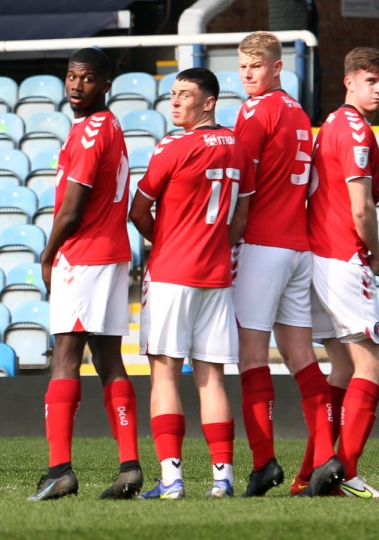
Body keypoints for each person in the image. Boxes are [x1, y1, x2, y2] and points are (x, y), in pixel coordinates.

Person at [129, 67, 253, 499]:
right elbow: (241, 218)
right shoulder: (238, 146)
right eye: (173, 93)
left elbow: (138, 210)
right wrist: (213, 243)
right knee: (211, 378)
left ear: (209, 101)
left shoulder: (172, 146)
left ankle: (171, 480)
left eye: (185, 94)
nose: (175, 101)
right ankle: (222, 478)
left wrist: (166, 239)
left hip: (170, 275)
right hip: (216, 276)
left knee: (164, 375)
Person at [231, 31, 342, 498]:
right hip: (298, 248)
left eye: (257, 66)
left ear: (278, 67)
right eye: (243, 68)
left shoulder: (256, 111)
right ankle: (324, 459)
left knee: (251, 358)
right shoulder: (298, 112)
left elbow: (240, 179)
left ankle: (264, 463)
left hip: (263, 245)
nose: (249, 75)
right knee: (301, 358)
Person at [28, 47, 142, 501]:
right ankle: (130, 467)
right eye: (72, 76)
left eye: (88, 78)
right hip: (112, 254)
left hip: (84, 255)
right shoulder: (107, 126)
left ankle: (59, 470)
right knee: (109, 359)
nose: (77, 85)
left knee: (65, 357)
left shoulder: (91, 132)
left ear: (106, 84)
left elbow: (71, 211)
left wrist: (47, 256)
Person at [307, 46, 379, 499]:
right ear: (349, 81)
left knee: (341, 365)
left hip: (317, 257)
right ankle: (348, 472)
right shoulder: (358, 132)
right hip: (344, 256)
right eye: (369, 81)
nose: (378, 89)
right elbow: (362, 209)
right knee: (372, 362)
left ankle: (312, 473)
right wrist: (375, 251)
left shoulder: (331, 125)